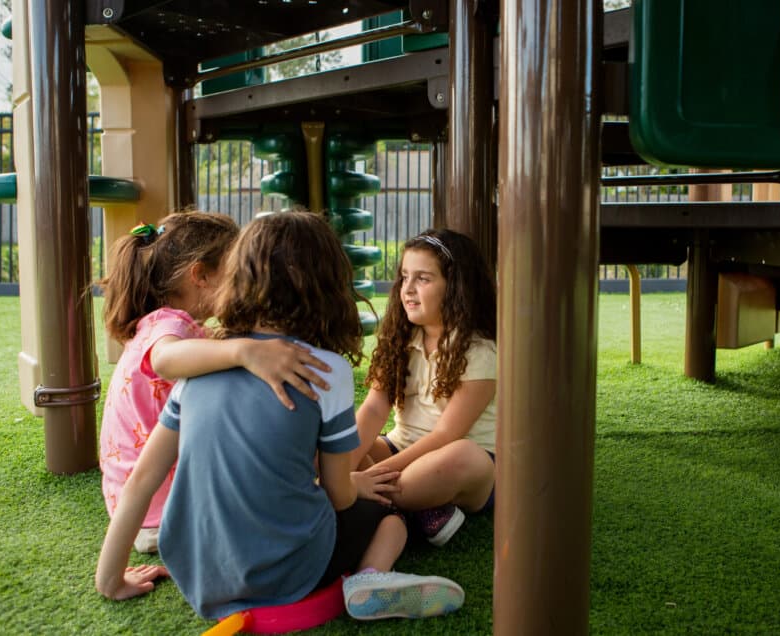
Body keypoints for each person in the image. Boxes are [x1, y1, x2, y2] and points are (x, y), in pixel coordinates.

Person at [95, 211, 465, 622]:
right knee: (391, 519)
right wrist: (357, 485)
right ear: (328, 284)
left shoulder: (197, 369)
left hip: (197, 576)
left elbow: (141, 483)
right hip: (290, 573)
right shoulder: (327, 369)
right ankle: (368, 580)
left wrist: (110, 579)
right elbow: (339, 496)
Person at [98, 211, 331, 554]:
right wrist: (245, 351)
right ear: (201, 276)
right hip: (169, 514)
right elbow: (165, 359)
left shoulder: (168, 324)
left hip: (139, 511)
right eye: (235, 271)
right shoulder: (168, 326)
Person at [351, 228, 497, 546]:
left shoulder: (480, 350)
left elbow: (446, 435)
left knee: (461, 456)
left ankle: (391, 505)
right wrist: (348, 468)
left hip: (461, 462)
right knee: (331, 445)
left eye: (423, 279)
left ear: (456, 288)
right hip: (400, 448)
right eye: (405, 277)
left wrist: (368, 478)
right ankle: (415, 511)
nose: (408, 290)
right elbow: (375, 408)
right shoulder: (400, 340)